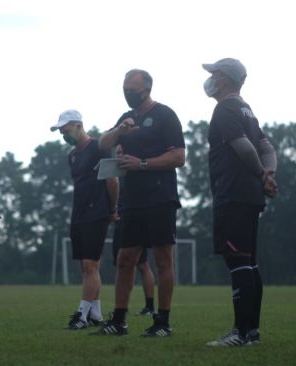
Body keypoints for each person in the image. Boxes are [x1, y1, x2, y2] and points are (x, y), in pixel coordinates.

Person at [96, 69, 186, 336]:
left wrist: (142, 164)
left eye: (132, 88)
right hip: (131, 200)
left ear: (146, 89)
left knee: (162, 259)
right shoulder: (127, 118)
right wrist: (119, 132)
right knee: (125, 259)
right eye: (124, 87)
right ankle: (119, 320)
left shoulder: (165, 116)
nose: (127, 92)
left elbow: (179, 157)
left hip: (160, 197)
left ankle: (163, 322)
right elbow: (102, 144)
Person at [200, 58, 278, 347]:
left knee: (237, 262)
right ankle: (252, 332)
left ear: (224, 78)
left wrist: (261, 173)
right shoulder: (247, 110)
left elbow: (244, 147)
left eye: (214, 74)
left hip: (232, 194)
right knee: (248, 262)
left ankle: (240, 332)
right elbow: (266, 147)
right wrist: (268, 175)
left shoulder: (225, 108)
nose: (210, 78)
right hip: (250, 195)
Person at [50, 110, 119, 330]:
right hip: (78, 214)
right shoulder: (71, 155)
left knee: (90, 265)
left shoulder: (99, 147)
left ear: (79, 125)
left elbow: (113, 181)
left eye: (66, 129)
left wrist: (113, 209)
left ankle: (81, 315)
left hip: (97, 212)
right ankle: (96, 314)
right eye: (60, 131)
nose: (63, 134)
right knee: (86, 267)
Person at [111, 145, 156, 317]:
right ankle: (122, 307)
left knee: (142, 264)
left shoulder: (134, 172)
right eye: (118, 153)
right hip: (121, 220)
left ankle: (150, 306)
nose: (120, 155)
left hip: (134, 219)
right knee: (123, 264)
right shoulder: (115, 172)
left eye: (123, 152)